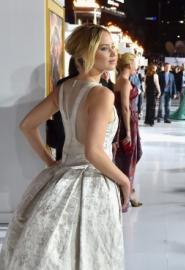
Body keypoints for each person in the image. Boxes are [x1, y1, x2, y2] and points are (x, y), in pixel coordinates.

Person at [0, 24, 127, 269]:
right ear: (85, 55)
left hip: (61, 176)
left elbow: (27, 125)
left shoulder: (65, 88)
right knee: (92, 252)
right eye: (104, 48)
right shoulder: (102, 94)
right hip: (92, 183)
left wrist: (51, 163)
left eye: (113, 48)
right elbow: (93, 151)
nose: (113, 54)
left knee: (57, 250)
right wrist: (124, 180)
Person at [114, 52, 143, 210]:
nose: (136, 66)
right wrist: (128, 132)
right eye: (135, 63)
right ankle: (126, 196)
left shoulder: (119, 81)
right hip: (128, 123)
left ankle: (128, 192)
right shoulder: (124, 82)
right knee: (128, 159)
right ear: (128, 65)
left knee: (127, 158)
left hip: (126, 122)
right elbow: (125, 107)